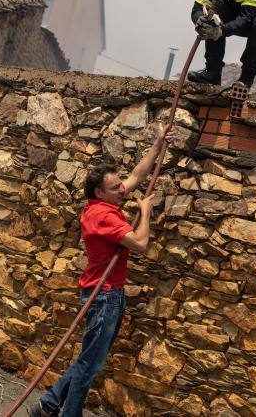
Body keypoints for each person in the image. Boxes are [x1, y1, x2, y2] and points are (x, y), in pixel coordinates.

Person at [30, 126, 173, 417]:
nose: (122, 190)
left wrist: (158, 143)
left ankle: (48, 404)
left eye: (119, 186)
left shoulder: (106, 201)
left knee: (90, 358)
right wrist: (145, 210)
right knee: (90, 364)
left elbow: (136, 175)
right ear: (98, 192)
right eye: (114, 188)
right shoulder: (102, 216)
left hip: (109, 295)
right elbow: (142, 244)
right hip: (104, 297)